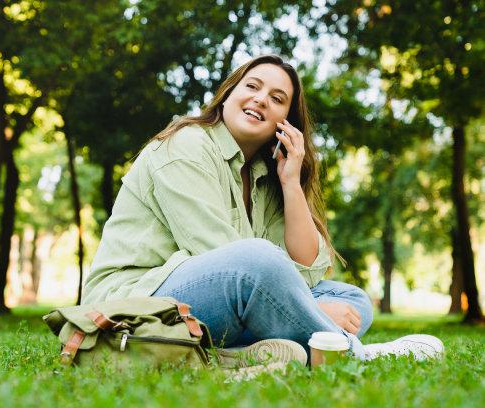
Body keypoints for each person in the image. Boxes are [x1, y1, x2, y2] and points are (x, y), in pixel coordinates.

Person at [83, 54, 443, 371]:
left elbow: (307, 271)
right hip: (133, 301)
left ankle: (241, 353)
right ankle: (350, 354)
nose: (261, 99)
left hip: (211, 300)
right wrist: (314, 314)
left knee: (351, 300)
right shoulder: (186, 144)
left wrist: (290, 182)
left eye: (277, 98)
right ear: (228, 94)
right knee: (260, 260)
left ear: (287, 120)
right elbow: (229, 260)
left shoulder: (264, 175)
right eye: (252, 85)